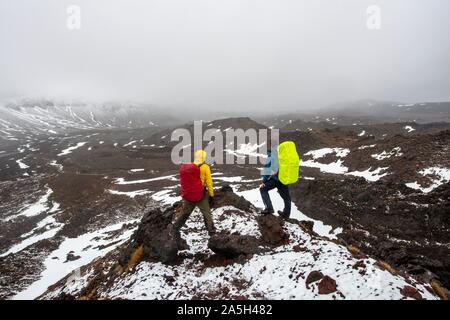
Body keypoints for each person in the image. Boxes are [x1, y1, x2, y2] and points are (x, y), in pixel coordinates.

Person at [173, 149, 216, 238]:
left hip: (189, 195)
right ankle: (212, 232)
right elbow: (209, 182)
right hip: (201, 195)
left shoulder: (191, 166)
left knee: (185, 213)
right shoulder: (205, 167)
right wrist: (211, 195)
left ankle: (175, 228)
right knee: (207, 213)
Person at [259, 148, 291, 219]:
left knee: (263, 189)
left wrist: (263, 182)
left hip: (276, 179)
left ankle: (269, 208)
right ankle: (286, 214)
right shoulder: (282, 155)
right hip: (284, 180)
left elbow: (267, 170)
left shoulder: (271, 157)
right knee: (287, 198)